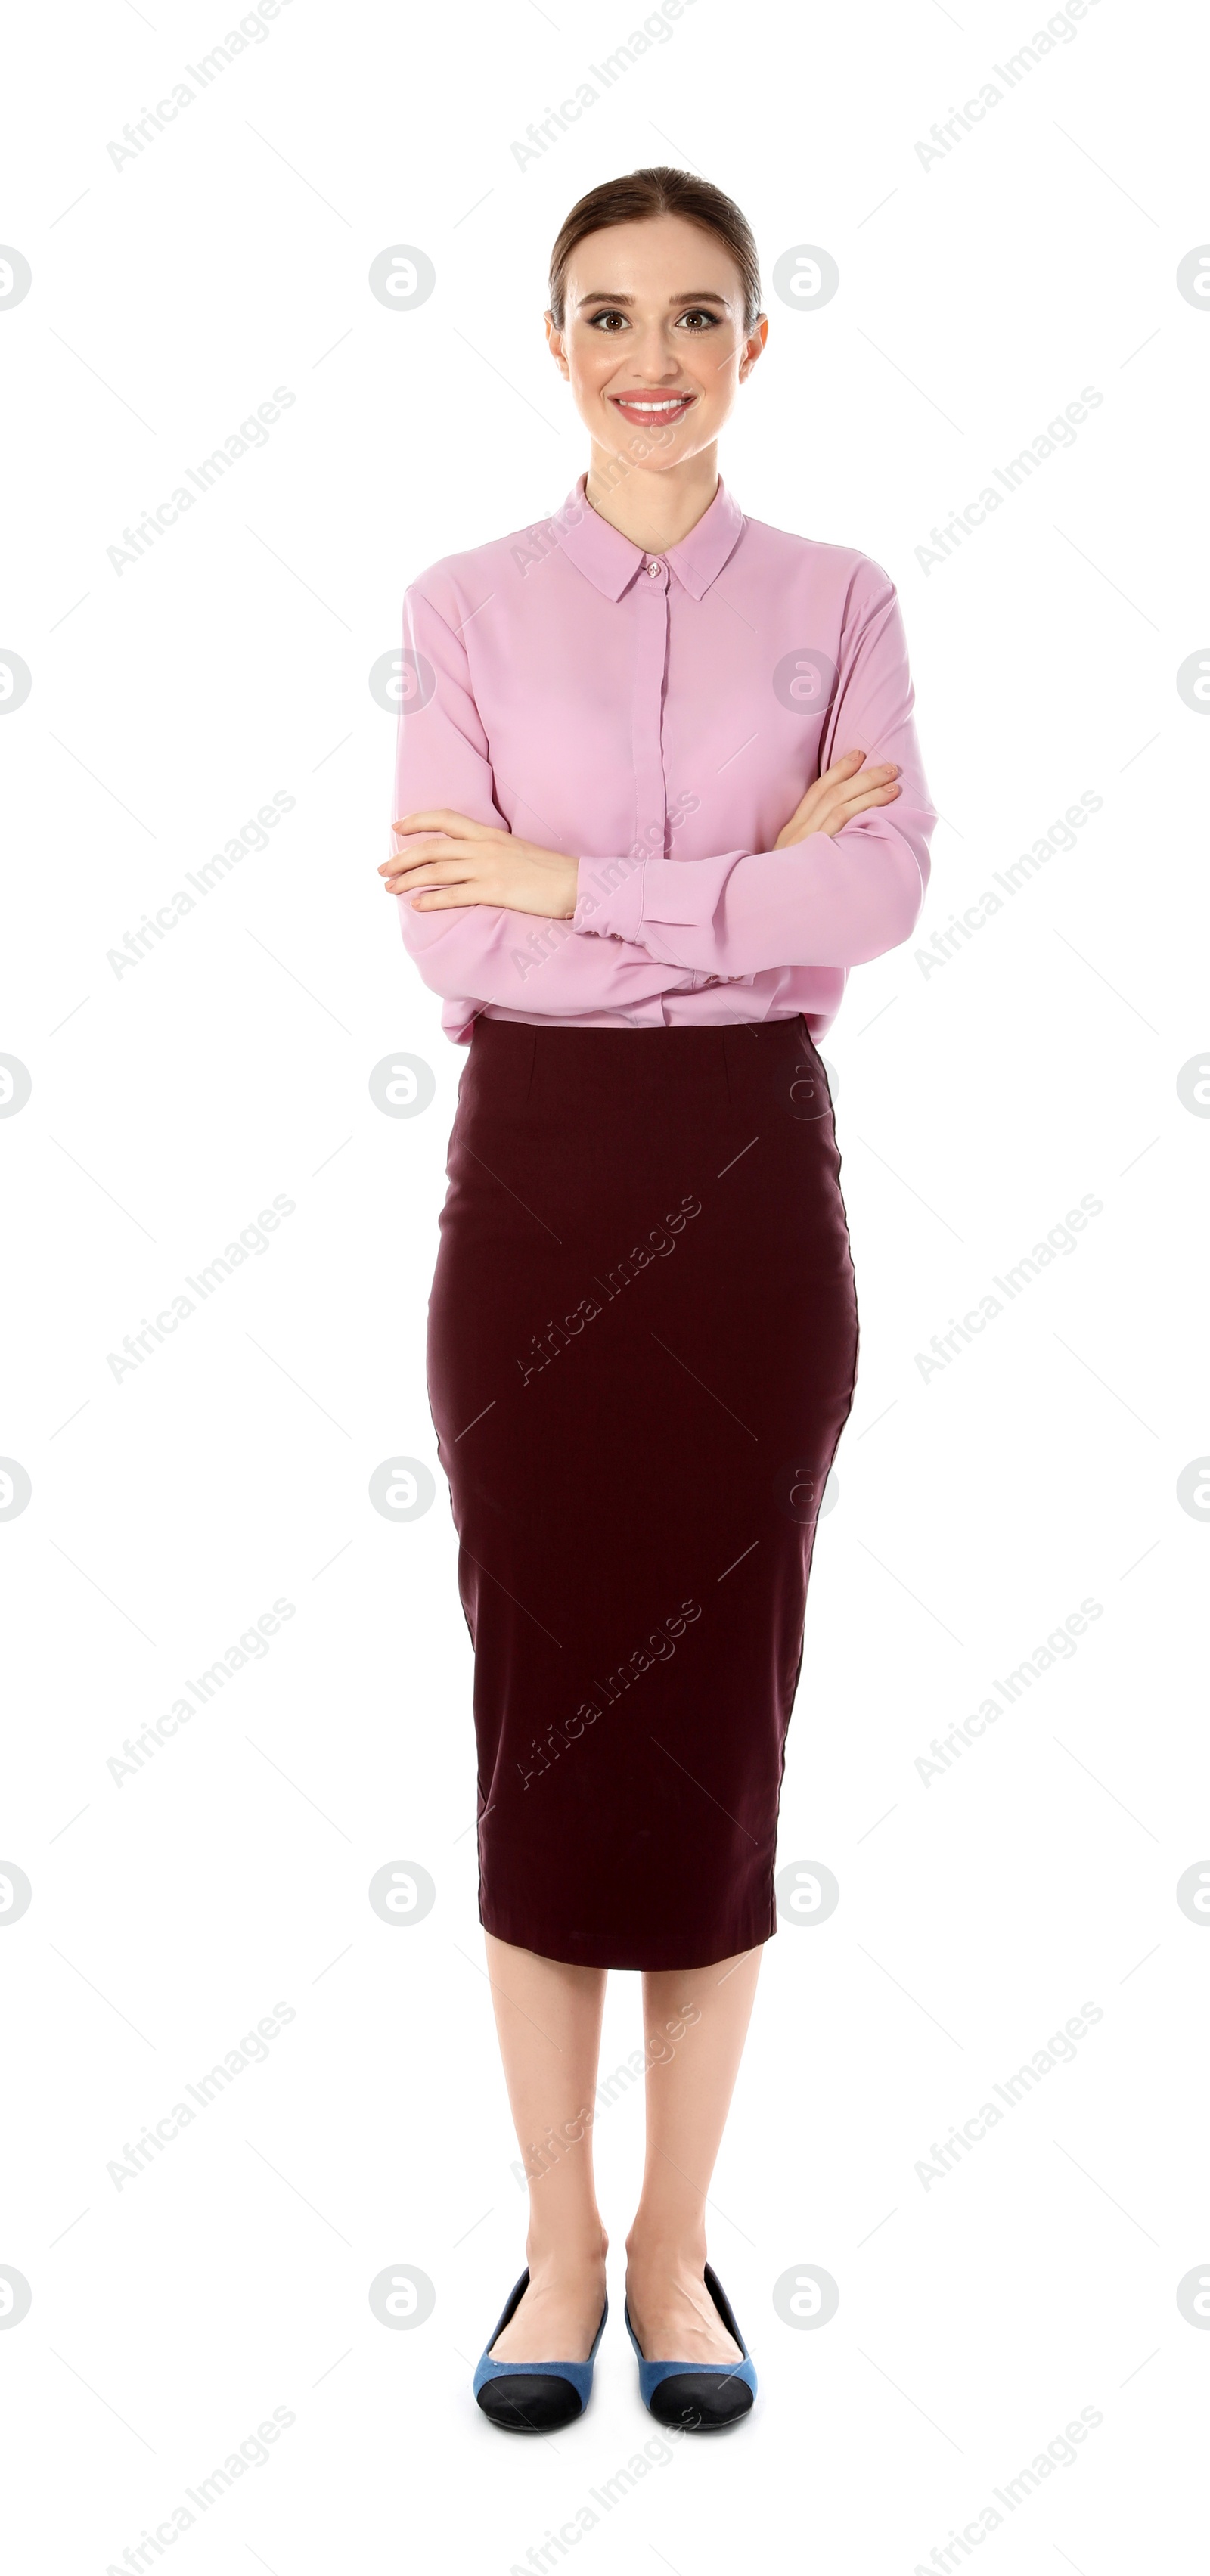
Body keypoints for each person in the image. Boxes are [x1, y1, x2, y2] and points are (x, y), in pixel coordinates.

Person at [380, 165, 936, 2433]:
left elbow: (882, 893)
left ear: (754, 344)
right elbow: (450, 935)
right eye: (607, 313)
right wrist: (740, 889)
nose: (652, 354)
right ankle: (553, 2247)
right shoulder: (468, 602)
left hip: (744, 1195)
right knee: (544, 1714)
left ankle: (684, 2256)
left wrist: (583, 878)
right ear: (552, 340)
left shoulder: (843, 596)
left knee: (718, 1725)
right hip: (534, 1195)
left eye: (696, 314)